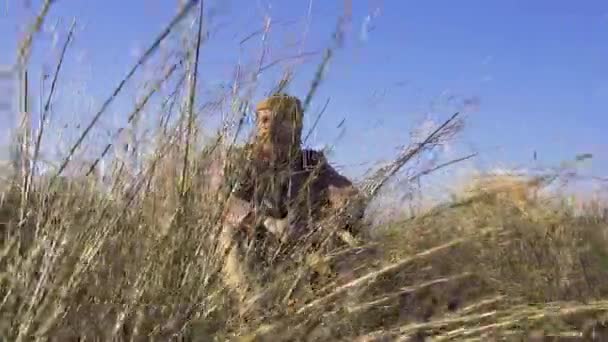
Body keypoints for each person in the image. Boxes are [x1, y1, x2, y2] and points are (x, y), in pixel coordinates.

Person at [210, 93, 366, 304]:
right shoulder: (244, 159)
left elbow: (347, 196)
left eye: (275, 118)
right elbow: (224, 201)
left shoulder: (310, 162)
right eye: (261, 119)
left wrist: (335, 218)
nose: (265, 124)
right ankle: (250, 309)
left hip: (303, 246)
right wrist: (264, 223)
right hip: (257, 245)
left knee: (349, 240)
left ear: (295, 125)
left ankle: (351, 306)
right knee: (229, 233)